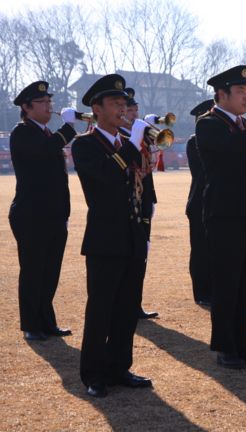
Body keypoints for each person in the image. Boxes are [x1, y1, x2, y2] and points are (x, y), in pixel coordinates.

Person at [72, 74, 153, 397]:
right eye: (115, 104)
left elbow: (140, 187)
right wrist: (133, 146)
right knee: (102, 308)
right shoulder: (85, 144)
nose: (123, 109)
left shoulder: (125, 143)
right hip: (105, 238)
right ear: (96, 108)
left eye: (125, 103)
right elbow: (105, 177)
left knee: (126, 306)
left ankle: (120, 366)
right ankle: (94, 373)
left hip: (132, 235)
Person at [196, 65, 246, 369]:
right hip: (225, 215)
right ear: (221, 95)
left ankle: (244, 345)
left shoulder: (243, 126)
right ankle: (226, 347)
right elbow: (232, 151)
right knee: (227, 283)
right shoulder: (209, 124)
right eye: (240, 92)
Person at [9, 81, 77, 341]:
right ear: (27, 108)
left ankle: (47, 322)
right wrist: (68, 129)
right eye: (43, 102)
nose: (50, 106)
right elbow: (44, 151)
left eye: (50, 102)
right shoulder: (23, 132)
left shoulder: (46, 133)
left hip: (53, 214)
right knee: (33, 270)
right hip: (31, 214)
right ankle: (31, 325)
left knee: (50, 271)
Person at [124, 88, 159, 319]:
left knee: (140, 258)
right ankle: (126, 304)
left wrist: (151, 200)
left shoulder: (140, 135)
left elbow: (149, 167)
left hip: (143, 201)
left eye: (136, 109)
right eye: (130, 110)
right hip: (126, 207)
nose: (134, 113)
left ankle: (135, 304)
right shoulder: (120, 138)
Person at [186, 99, 214, 305]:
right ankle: (201, 291)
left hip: (215, 201)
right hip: (199, 202)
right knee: (200, 250)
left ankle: (212, 288)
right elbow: (204, 169)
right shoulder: (193, 141)